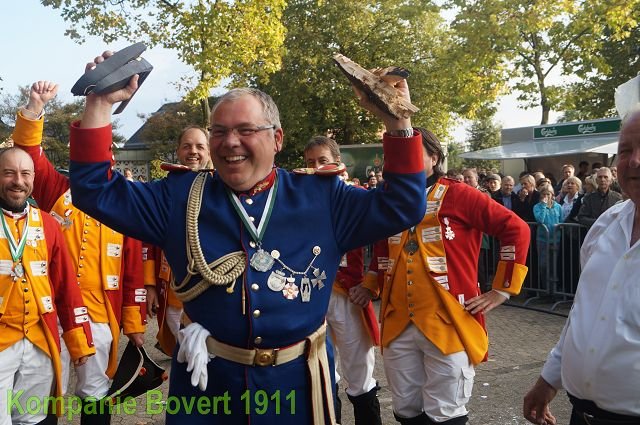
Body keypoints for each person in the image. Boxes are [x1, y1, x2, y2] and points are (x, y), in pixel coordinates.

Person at [67, 50, 426, 425]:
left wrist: (397, 120)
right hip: (208, 390)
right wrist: (99, 103)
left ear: (277, 139)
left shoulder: (322, 197)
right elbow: (94, 191)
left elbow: (403, 206)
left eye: (245, 130)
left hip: (297, 389)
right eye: (219, 132)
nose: (230, 141)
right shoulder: (179, 197)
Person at [354, 128, 530, 425]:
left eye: (410, 154)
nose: (399, 161)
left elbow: (516, 229)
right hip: (397, 322)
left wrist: (502, 289)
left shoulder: (460, 194)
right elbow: (383, 245)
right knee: (406, 409)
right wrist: (371, 284)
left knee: (446, 412)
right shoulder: (388, 198)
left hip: (450, 320)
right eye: (393, 156)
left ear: (434, 158)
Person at [11, 81, 147, 425]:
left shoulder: (124, 204)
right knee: (44, 390)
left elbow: (133, 271)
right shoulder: (56, 188)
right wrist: (35, 108)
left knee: (96, 395)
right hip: (52, 313)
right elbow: (26, 156)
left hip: (101, 316)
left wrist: (134, 324)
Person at [523, 109, 640, 425]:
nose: (634, 161)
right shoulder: (606, 224)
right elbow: (584, 312)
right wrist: (549, 379)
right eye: (626, 150)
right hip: (582, 414)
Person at [0, 148, 95, 425]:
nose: (18, 181)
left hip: (40, 342)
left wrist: (78, 342)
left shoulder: (48, 224)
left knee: (33, 419)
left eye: (25, 173)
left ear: (33, 177)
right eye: (9, 173)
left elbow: (66, 287)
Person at [303, 136, 382, 425]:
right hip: (313, 296)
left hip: (350, 295)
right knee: (322, 371)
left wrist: (371, 283)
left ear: (338, 162)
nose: (317, 167)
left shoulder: (357, 196)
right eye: (310, 162)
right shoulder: (300, 199)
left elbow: (385, 240)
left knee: (360, 372)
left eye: (323, 160)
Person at [144, 125, 211, 356]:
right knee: (187, 352)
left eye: (200, 146)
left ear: (209, 151)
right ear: (178, 151)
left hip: (211, 289)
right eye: (187, 146)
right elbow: (148, 242)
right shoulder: (162, 192)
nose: (193, 152)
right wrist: (150, 285)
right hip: (174, 289)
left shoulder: (222, 187)